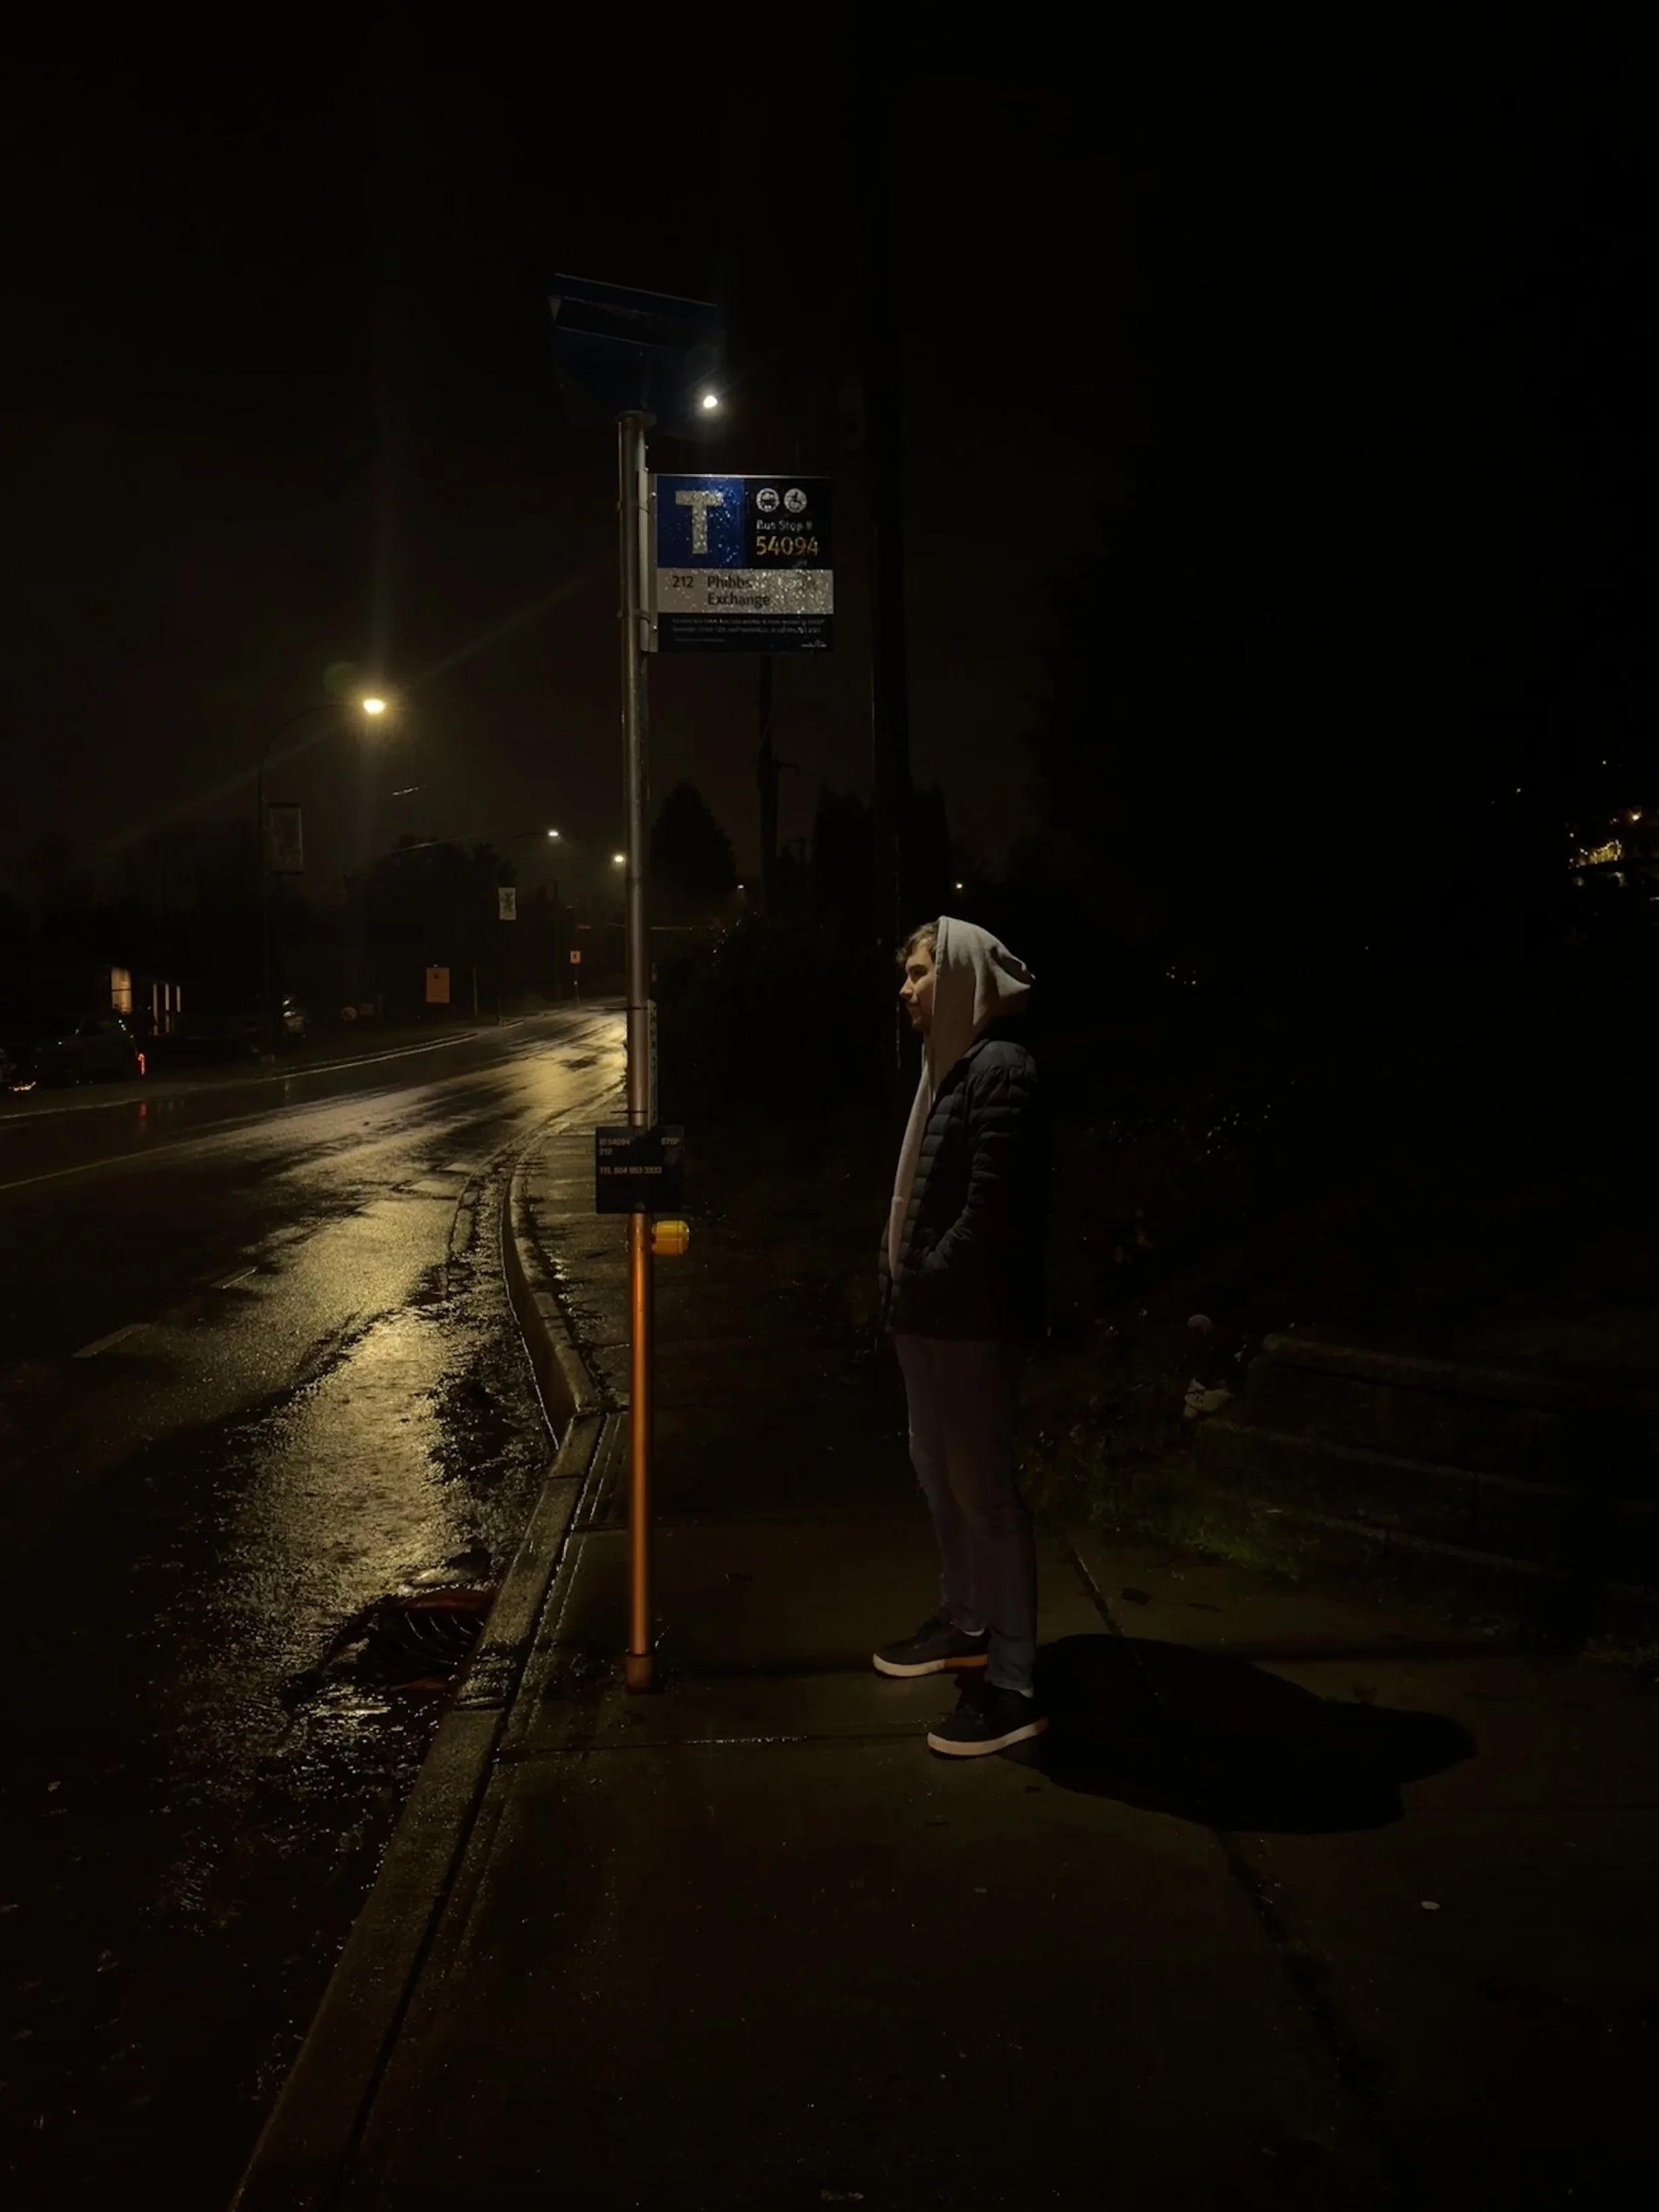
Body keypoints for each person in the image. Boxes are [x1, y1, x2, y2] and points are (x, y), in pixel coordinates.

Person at [875, 916, 1049, 1757]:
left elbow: (991, 1212)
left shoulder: (1000, 1069)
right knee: (936, 1474)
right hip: (927, 1317)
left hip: (971, 1323)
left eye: (917, 973)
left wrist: (922, 1274)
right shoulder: (943, 1070)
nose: (904, 990)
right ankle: (965, 1621)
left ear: (961, 975)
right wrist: (901, 1282)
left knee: (982, 1494)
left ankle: (1015, 1679)